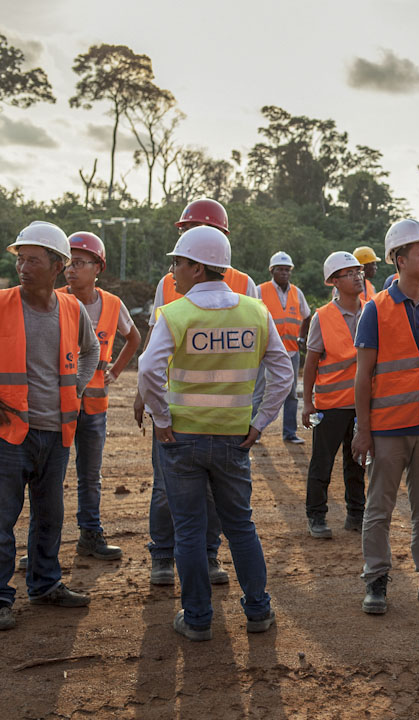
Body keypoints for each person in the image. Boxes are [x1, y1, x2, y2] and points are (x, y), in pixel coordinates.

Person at [138, 225, 292, 641]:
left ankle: (198, 619)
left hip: (182, 439)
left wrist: (162, 419)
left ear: (196, 266)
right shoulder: (255, 312)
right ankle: (259, 611)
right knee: (240, 526)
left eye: (177, 263)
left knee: (188, 530)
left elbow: (148, 371)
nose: (172, 271)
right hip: (234, 439)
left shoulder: (176, 314)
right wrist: (260, 423)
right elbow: (282, 372)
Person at [136, 198, 253, 587]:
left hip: (224, 410)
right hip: (177, 403)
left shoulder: (244, 284)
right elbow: (154, 340)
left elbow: (259, 346)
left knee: (211, 493)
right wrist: (146, 397)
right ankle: (162, 557)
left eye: (195, 231)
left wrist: (254, 412)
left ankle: (208, 555)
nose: (188, 238)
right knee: (165, 487)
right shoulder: (169, 281)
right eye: (185, 231)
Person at [352, 219, 419, 615]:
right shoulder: (374, 310)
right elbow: (363, 376)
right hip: (388, 428)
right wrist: (364, 430)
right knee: (378, 509)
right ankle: (376, 580)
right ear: (399, 259)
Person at [0, 221, 100, 631]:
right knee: (3, 518)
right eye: (20, 258)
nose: (23, 266)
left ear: (56, 265)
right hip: (9, 435)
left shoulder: (72, 309)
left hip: (56, 432)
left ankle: (45, 584)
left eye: (33, 259)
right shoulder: (2, 303)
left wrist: (75, 390)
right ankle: (2, 597)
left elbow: (91, 352)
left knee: (49, 515)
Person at [60, 231, 141, 562]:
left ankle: (90, 536)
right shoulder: (54, 300)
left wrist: (116, 371)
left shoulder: (111, 304)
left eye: (79, 262)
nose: (70, 269)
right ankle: (41, 545)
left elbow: (133, 338)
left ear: (98, 267)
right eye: (68, 262)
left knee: (89, 475)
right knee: (46, 476)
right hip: (58, 405)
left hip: (94, 405)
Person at [301, 252, 366, 539]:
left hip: (362, 405)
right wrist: (307, 402)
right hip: (330, 406)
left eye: (358, 271)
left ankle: (357, 514)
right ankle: (317, 516)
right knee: (322, 462)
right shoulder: (322, 317)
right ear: (334, 282)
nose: (357, 276)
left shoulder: (371, 311)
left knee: (358, 463)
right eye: (349, 273)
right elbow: (311, 362)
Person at [253, 251, 311, 444]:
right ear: (272, 271)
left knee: (291, 393)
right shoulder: (259, 290)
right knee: (258, 392)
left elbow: (307, 315)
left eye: (287, 270)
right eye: (280, 269)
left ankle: (289, 433)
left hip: (290, 350)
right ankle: (254, 432)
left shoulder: (297, 292)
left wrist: (302, 337)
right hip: (263, 350)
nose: (284, 273)